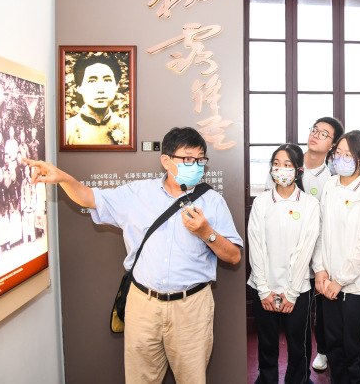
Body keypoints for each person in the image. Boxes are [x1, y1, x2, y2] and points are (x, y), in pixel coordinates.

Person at [24, 127, 242, 384]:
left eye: (200, 159)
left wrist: (207, 233)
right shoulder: (137, 193)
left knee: (192, 379)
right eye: (187, 159)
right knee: (140, 379)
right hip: (143, 305)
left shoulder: (213, 202)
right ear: (166, 160)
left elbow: (234, 257)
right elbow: (90, 198)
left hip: (192, 307)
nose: (195, 165)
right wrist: (63, 179)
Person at [264, 117, 345, 373]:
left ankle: (321, 352)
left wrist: (319, 265)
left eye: (324, 134)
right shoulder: (286, 165)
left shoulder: (331, 180)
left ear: (332, 145)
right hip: (280, 257)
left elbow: (326, 226)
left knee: (314, 316)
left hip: (314, 260)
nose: (316, 135)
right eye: (315, 130)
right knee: (276, 330)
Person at [313, 130, 360, 383]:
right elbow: (320, 230)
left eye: (348, 155)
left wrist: (340, 281)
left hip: (357, 286)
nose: (340, 159)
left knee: (355, 348)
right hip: (328, 282)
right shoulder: (330, 185)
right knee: (333, 345)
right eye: (338, 153)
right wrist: (320, 270)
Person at [248, 143, 320, 383]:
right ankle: (266, 379)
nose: (280, 169)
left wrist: (292, 293)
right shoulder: (261, 202)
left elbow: (305, 251)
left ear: (298, 170)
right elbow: (256, 247)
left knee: (298, 346)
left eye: (287, 164)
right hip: (264, 287)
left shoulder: (309, 204)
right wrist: (263, 289)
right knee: (267, 344)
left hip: (297, 290)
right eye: (276, 164)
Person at [65, 54, 129, 145]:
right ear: (79, 87)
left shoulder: (128, 129)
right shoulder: (67, 130)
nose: (100, 89)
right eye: (92, 81)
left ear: (116, 86)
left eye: (107, 80)